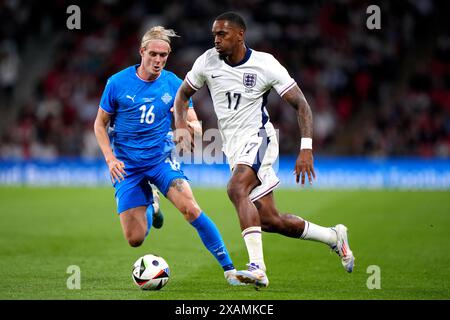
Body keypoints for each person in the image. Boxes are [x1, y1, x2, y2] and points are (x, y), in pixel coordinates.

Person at [174, 12, 355, 288]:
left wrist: (306, 149)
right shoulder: (207, 61)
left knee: (236, 189)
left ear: (240, 35)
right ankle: (333, 237)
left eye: (222, 34)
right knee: (270, 220)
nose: (216, 40)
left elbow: (302, 105)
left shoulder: (265, 65)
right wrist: (180, 125)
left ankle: (257, 268)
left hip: (259, 138)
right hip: (234, 148)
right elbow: (182, 95)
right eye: (214, 34)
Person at [93, 26, 247, 286]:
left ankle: (229, 269)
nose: (158, 60)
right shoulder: (117, 83)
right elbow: (99, 124)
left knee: (191, 209)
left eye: (164, 56)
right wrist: (110, 158)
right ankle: (151, 204)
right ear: (142, 52)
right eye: (153, 54)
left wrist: (191, 132)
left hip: (160, 160)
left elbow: (193, 120)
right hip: (127, 166)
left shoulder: (175, 84)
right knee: (135, 239)